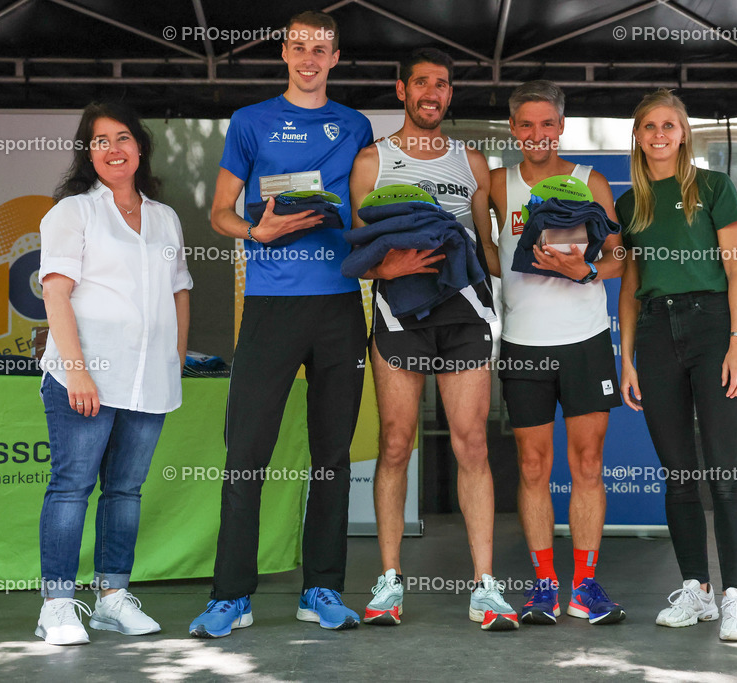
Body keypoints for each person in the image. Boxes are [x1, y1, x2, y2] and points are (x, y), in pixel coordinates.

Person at [188, 11, 373, 637]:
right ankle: (230, 597)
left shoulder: (356, 125)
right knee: (246, 455)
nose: (310, 58)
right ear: (285, 52)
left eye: (322, 49)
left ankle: (320, 589)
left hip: (340, 305)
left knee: (332, 456)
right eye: (300, 47)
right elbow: (218, 213)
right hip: (269, 306)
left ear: (336, 57)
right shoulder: (250, 121)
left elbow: (364, 214)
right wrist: (254, 228)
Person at [349, 47, 518, 631]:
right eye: (421, 82)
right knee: (396, 444)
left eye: (442, 85)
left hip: (466, 314)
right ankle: (390, 581)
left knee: (472, 443)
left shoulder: (472, 162)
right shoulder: (373, 160)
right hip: (398, 316)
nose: (432, 93)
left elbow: (486, 246)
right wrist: (384, 272)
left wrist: (550, 261)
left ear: (449, 95)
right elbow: (359, 251)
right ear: (401, 90)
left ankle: (485, 587)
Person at [36, 101, 192, 645]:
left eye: (121, 137)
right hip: (86, 377)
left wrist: (174, 357)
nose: (112, 149)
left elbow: (179, 292)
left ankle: (110, 599)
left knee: (125, 491)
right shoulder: (73, 212)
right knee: (72, 487)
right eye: (99, 141)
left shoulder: (165, 216)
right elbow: (56, 294)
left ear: (140, 146)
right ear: (88, 154)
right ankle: (56, 605)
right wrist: (77, 373)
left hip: (149, 380)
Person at [616, 89, 737, 641]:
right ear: (638, 134)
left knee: (723, 471)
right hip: (654, 333)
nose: (658, 134)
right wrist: (625, 359)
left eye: (668, 124)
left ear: (683, 131)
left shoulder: (715, 187)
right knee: (679, 475)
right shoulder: (630, 204)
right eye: (648, 125)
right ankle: (695, 591)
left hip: (712, 327)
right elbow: (629, 287)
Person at [488, 80, 626, 626]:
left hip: (586, 340)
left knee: (588, 464)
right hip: (522, 343)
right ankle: (544, 584)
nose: (537, 134)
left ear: (561, 126)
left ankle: (585, 586)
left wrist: (585, 270)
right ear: (513, 129)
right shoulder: (496, 185)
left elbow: (620, 259)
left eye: (547, 124)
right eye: (526, 124)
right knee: (531, 466)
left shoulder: (588, 180)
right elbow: (486, 255)